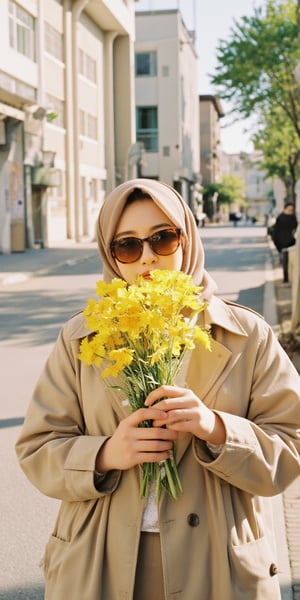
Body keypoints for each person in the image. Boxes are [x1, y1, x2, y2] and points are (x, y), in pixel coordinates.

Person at [16, 179, 300, 600]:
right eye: (127, 246)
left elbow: (290, 444)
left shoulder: (246, 335)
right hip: (102, 563)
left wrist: (216, 428)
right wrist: (106, 453)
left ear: (187, 239)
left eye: (163, 238)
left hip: (217, 563)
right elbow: (38, 447)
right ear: (111, 256)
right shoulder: (81, 339)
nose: (147, 256)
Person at [272, 202, 298, 282]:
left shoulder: (293, 218)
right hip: (282, 243)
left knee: (291, 263)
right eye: (289, 209)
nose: (290, 211)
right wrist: (277, 244)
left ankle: (289, 278)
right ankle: (286, 279)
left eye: (292, 210)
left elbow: (296, 228)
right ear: (285, 209)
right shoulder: (280, 218)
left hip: (291, 243)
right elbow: (276, 232)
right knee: (285, 262)